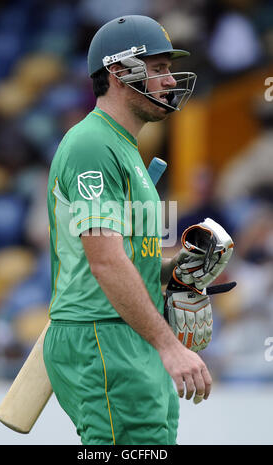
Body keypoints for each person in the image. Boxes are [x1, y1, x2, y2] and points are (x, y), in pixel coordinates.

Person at [43, 15, 212, 445]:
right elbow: (103, 261)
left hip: (125, 333)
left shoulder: (123, 145)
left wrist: (175, 268)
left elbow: (123, 256)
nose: (170, 81)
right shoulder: (91, 144)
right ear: (119, 73)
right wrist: (170, 345)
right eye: (157, 69)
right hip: (105, 335)